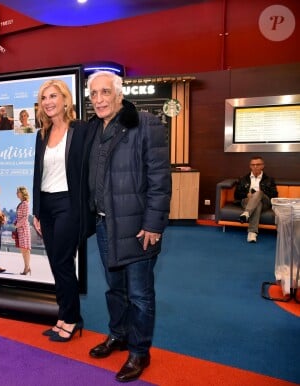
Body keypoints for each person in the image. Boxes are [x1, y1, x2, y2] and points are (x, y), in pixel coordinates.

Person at [85, 71, 171, 383]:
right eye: (93, 94)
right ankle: (118, 335)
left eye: (105, 92)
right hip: (105, 225)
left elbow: (160, 178)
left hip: (137, 227)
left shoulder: (144, 123)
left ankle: (139, 351)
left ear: (119, 94)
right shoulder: (94, 128)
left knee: (140, 295)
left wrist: (153, 223)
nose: (99, 99)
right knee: (115, 289)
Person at [32, 79, 88, 343]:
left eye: (53, 96)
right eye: (44, 97)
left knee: (63, 263)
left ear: (65, 100)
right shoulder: (41, 134)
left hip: (68, 205)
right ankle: (64, 316)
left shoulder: (81, 130)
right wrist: (36, 211)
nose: (49, 102)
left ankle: (72, 318)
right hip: (47, 205)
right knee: (57, 264)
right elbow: (37, 174)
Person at [234, 156, 278, 243]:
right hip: (247, 201)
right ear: (250, 166)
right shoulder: (243, 179)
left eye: (258, 164)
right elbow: (236, 195)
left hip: (265, 201)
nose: (255, 167)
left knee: (258, 193)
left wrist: (260, 194)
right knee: (257, 204)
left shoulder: (269, 179)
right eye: (253, 165)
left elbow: (274, 194)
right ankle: (252, 232)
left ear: (262, 166)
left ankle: (246, 213)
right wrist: (247, 195)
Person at [15, 186, 31, 275]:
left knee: (26, 249)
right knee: (23, 249)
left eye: (18, 192)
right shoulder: (21, 203)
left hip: (24, 228)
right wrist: (16, 222)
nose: (16, 193)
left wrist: (17, 224)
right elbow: (20, 217)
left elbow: (25, 217)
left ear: (22, 193)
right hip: (20, 228)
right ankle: (27, 267)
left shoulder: (25, 203)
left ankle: (27, 268)